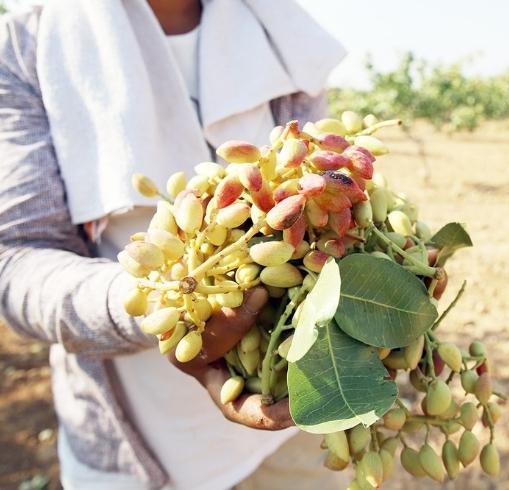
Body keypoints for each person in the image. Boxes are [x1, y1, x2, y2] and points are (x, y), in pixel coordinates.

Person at [0, 0, 348, 488]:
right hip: (137, 453)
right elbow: (16, 261)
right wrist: (157, 305)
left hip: (289, 423)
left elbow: (318, 194)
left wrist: (374, 281)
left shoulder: (282, 31)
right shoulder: (26, 45)